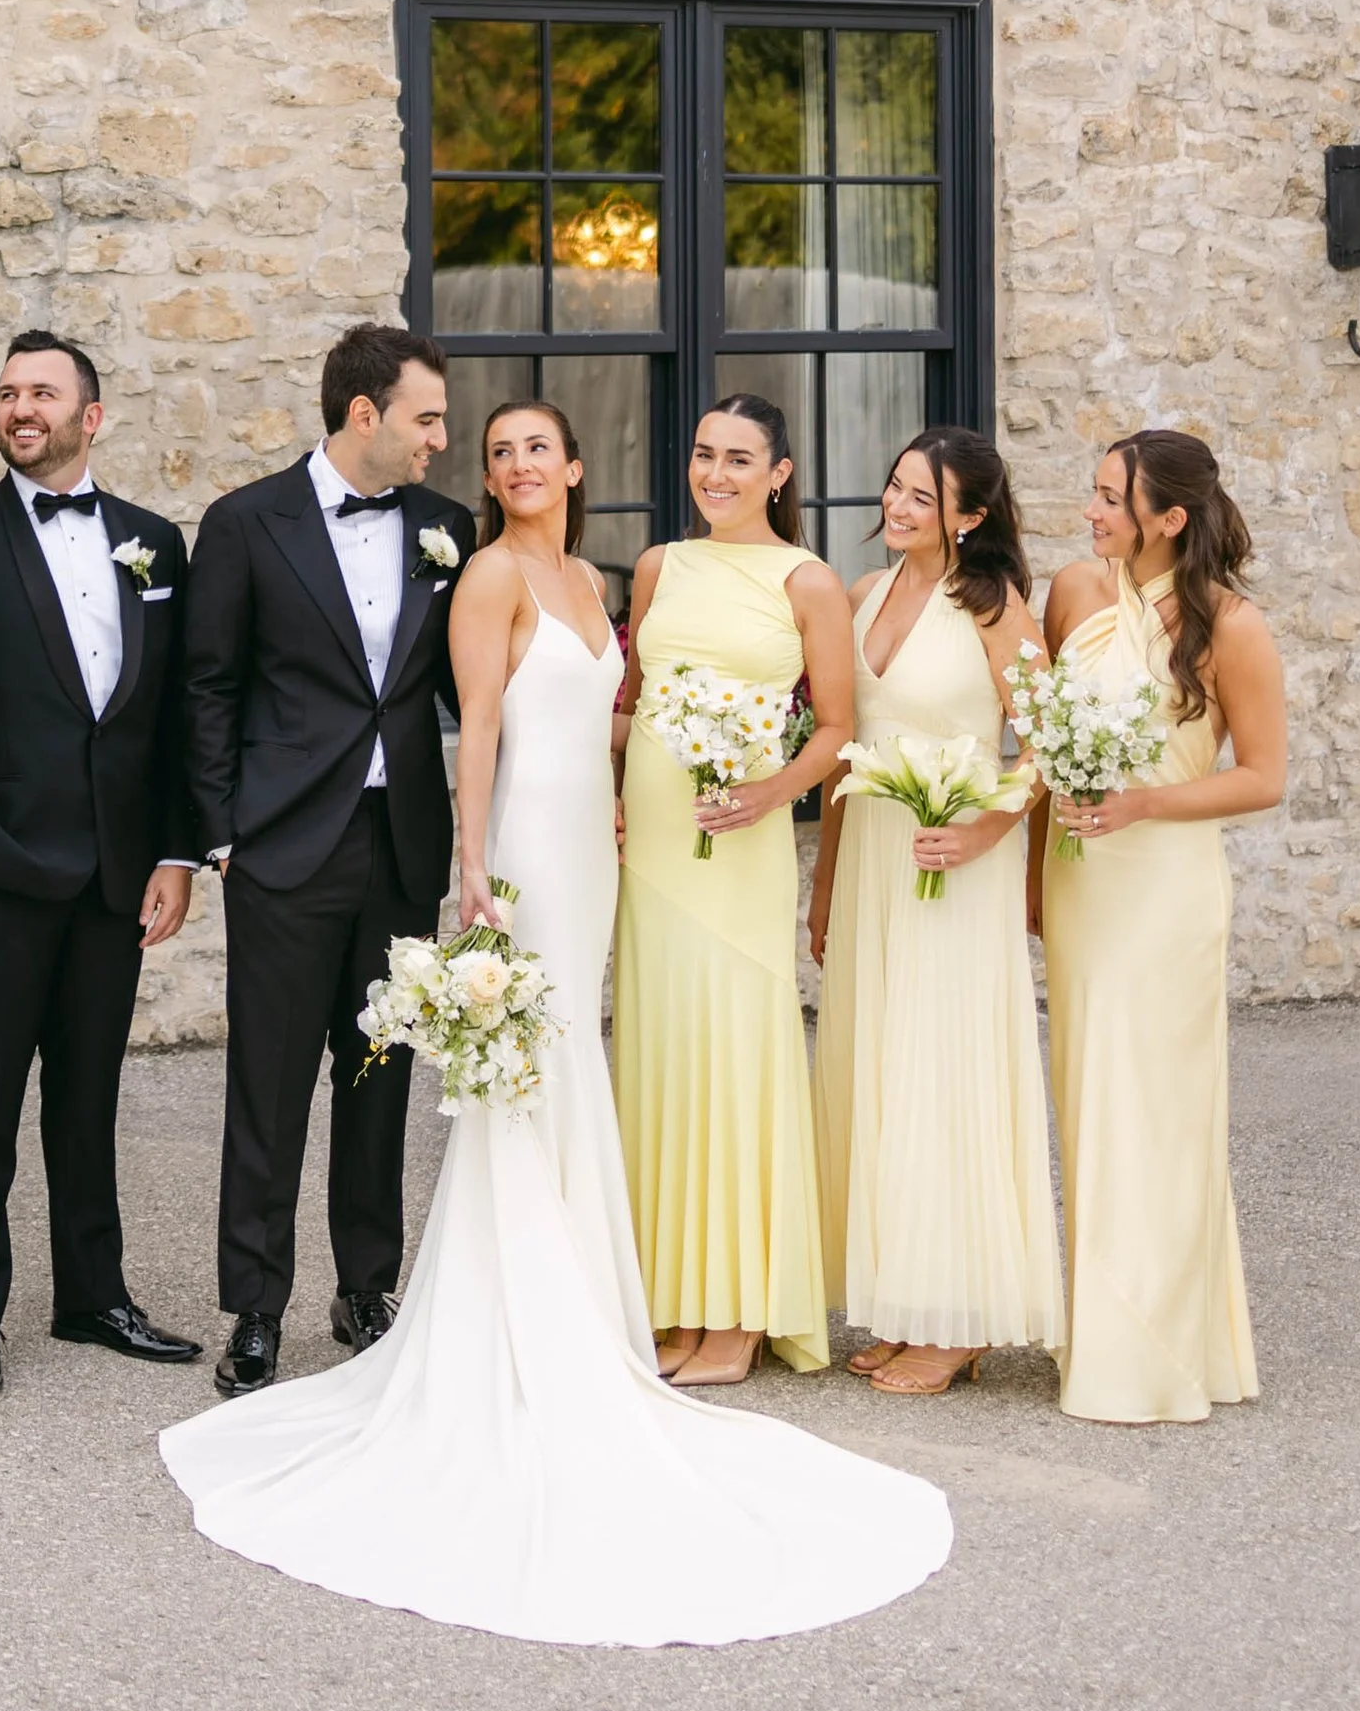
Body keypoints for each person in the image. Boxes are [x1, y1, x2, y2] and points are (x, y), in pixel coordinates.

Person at [160, 399, 954, 1644]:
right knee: (526, 1069)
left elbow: (612, 714)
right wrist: (469, 864)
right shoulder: (486, 575)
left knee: (575, 1053)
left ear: (575, 467)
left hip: (599, 847)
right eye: (497, 453)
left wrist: (718, 740)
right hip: (528, 845)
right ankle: (521, 1312)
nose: (517, 465)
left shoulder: (591, 578)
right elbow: (476, 727)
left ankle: (591, 1298)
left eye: (538, 448)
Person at [0, 329, 202, 1397]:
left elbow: (168, 718)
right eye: (8, 392)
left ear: (91, 417)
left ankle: (92, 1296)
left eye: (43, 393)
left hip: (117, 874)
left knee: (89, 1097)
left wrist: (176, 853)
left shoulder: (155, 543)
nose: (22, 408)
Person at [182, 323, 473, 1402]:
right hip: (282, 846)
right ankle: (253, 1310)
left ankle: (365, 1290)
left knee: (379, 1076)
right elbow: (206, 687)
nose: (443, 438)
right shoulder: (245, 522)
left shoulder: (448, 530)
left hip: (399, 850)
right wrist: (221, 832)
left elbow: (469, 689)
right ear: (366, 415)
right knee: (266, 1085)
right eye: (427, 418)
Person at [808, 429, 1061, 1398]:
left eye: (924, 495)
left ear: (971, 515)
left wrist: (985, 835)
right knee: (882, 1071)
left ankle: (956, 1322)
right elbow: (842, 754)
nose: (900, 504)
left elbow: (1043, 749)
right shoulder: (863, 594)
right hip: (875, 863)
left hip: (955, 867)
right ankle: (908, 1302)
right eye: (896, 485)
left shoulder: (997, 610)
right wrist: (825, 887)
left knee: (941, 1072)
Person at [1039, 430, 1284, 1425]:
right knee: (1090, 1096)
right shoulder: (1074, 595)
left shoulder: (1231, 626)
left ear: (1167, 517)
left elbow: (1261, 777)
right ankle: (1101, 1328)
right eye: (1093, 492)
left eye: (1109, 498)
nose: (1091, 512)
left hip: (1165, 890)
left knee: (1160, 1110)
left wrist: (1143, 804)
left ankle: (1160, 1348)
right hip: (1081, 887)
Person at [613, 394, 853, 1385]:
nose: (715, 473)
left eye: (738, 459)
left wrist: (767, 792)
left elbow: (837, 728)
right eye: (704, 454)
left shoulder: (808, 583)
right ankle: (673, 1299)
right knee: (663, 1056)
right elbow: (629, 700)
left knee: (736, 1056)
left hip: (742, 851)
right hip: (658, 853)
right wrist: (604, 792)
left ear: (778, 474)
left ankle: (739, 1316)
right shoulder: (659, 567)